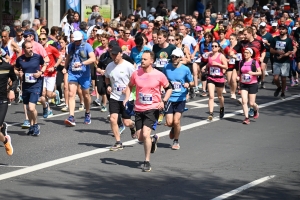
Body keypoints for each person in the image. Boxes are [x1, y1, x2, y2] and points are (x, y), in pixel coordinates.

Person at [123, 50, 172, 172]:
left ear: (152, 61)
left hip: (153, 108)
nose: (142, 61)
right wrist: (127, 98)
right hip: (139, 108)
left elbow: (169, 88)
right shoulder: (136, 74)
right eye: (142, 59)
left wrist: (163, 101)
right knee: (140, 138)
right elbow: (129, 86)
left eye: (145, 59)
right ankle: (153, 139)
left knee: (145, 134)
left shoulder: (159, 75)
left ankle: (147, 161)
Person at [104, 45, 136, 151]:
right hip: (114, 96)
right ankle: (118, 142)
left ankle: (132, 126)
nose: (113, 57)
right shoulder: (109, 66)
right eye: (112, 54)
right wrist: (108, 86)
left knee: (126, 122)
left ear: (120, 54)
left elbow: (136, 81)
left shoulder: (128, 66)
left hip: (127, 97)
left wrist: (128, 88)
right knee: (113, 119)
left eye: (115, 54)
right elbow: (107, 77)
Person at [64, 31, 96, 126]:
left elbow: (93, 58)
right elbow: (68, 57)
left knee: (86, 94)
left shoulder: (87, 46)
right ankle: (71, 116)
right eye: (75, 40)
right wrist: (65, 68)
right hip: (72, 73)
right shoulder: (70, 46)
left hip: (84, 74)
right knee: (71, 93)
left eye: (78, 40)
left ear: (82, 39)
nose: (77, 42)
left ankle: (87, 112)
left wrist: (82, 63)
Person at [164, 48, 194, 150]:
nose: (174, 59)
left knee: (176, 121)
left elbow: (192, 82)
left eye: (176, 57)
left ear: (180, 58)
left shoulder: (185, 69)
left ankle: (176, 141)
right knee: (169, 123)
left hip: (180, 98)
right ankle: (173, 128)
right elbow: (163, 80)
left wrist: (188, 84)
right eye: (172, 57)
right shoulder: (166, 67)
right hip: (169, 98)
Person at [16, 41, 47, 136]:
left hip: (36, 85)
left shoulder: (37, 57)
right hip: (25, 85)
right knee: (28, 109)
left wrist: (40, 72)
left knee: (31, 107)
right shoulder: (20, 59)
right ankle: (31, 126)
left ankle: (36, 125)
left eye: (31, 47)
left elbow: (45, 64)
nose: (30, 49)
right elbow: (15, 69)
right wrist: (19, 74)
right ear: (24, 49)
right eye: (28, 48)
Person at [38, 33, 62, 117]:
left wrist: (54, 67)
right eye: (40, 39)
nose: (41, 40)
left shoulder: (51, 49)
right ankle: (48, 110)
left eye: (43, 39)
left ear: (47, 39)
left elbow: (60, 58)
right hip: (42, 74)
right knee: (43, 94)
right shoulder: (38, 49)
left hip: (51, 74)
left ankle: (56, 94)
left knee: (49, 94)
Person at [205, 41, 228, 120]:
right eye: (212, 46)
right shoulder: (210, 55)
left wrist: (218, 64)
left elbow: (226, 67)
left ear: (218, 48)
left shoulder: (221, 56)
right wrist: (205, 67)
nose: (213, 47)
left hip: (219, 78)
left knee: (219, 96)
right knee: (211, 96)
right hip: (211, 77)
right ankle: (211, 113)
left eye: (215, 46)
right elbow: (209, 63)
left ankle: (222, 107)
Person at [0, 56, 18, 155]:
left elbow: (15, 79)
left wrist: (11, 90)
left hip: (2, 101)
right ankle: (4, 135)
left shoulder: (6, 66)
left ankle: (6, 141)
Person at [238, 48, 261, 124]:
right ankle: (246, 118)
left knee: (251, 103)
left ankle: (255, 108)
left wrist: (253, 73)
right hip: (243, 84)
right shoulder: (241, 62)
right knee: (244, 101)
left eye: (247, 53)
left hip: (252, 84)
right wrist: (238, 78)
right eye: (244, 52)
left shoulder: (254, 62)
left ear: (251, 54)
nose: (245, 54)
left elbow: (260, 72)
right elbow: (240, 72)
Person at [270, 25, 293, 99]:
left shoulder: (288, 40)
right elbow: (271, 49)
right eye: (280, 29)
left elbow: (290, 51)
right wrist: (277, 51)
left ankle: (283, 92)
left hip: (285, 61)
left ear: (286, 30)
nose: (281, 30)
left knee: (283, 78)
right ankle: (279, 87)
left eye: (283, 29)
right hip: (276, 60)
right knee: (275, 78)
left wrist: (283, 55)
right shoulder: (275, 39)